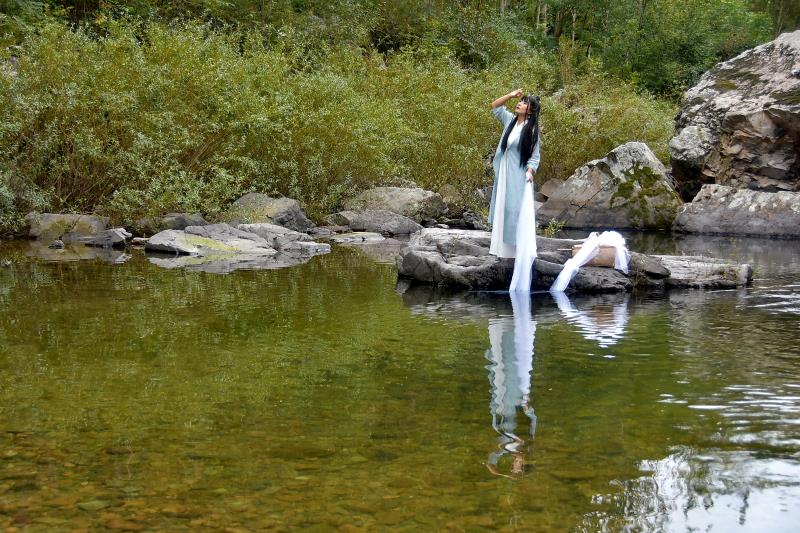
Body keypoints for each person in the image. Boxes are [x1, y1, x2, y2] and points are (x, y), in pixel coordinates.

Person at [488, 89, 542, 258]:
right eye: (521, 101)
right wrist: (511, 95)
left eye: (524, 103)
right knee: (502, 206)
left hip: (518, 174)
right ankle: (500, 249)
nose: (519, 103)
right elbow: (495, 106)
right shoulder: (510, 121)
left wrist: (530, 172)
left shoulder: (532, 131)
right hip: (504, 171)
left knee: (514, 209)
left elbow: (535, 157)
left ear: (531, 111)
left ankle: (517, 249)